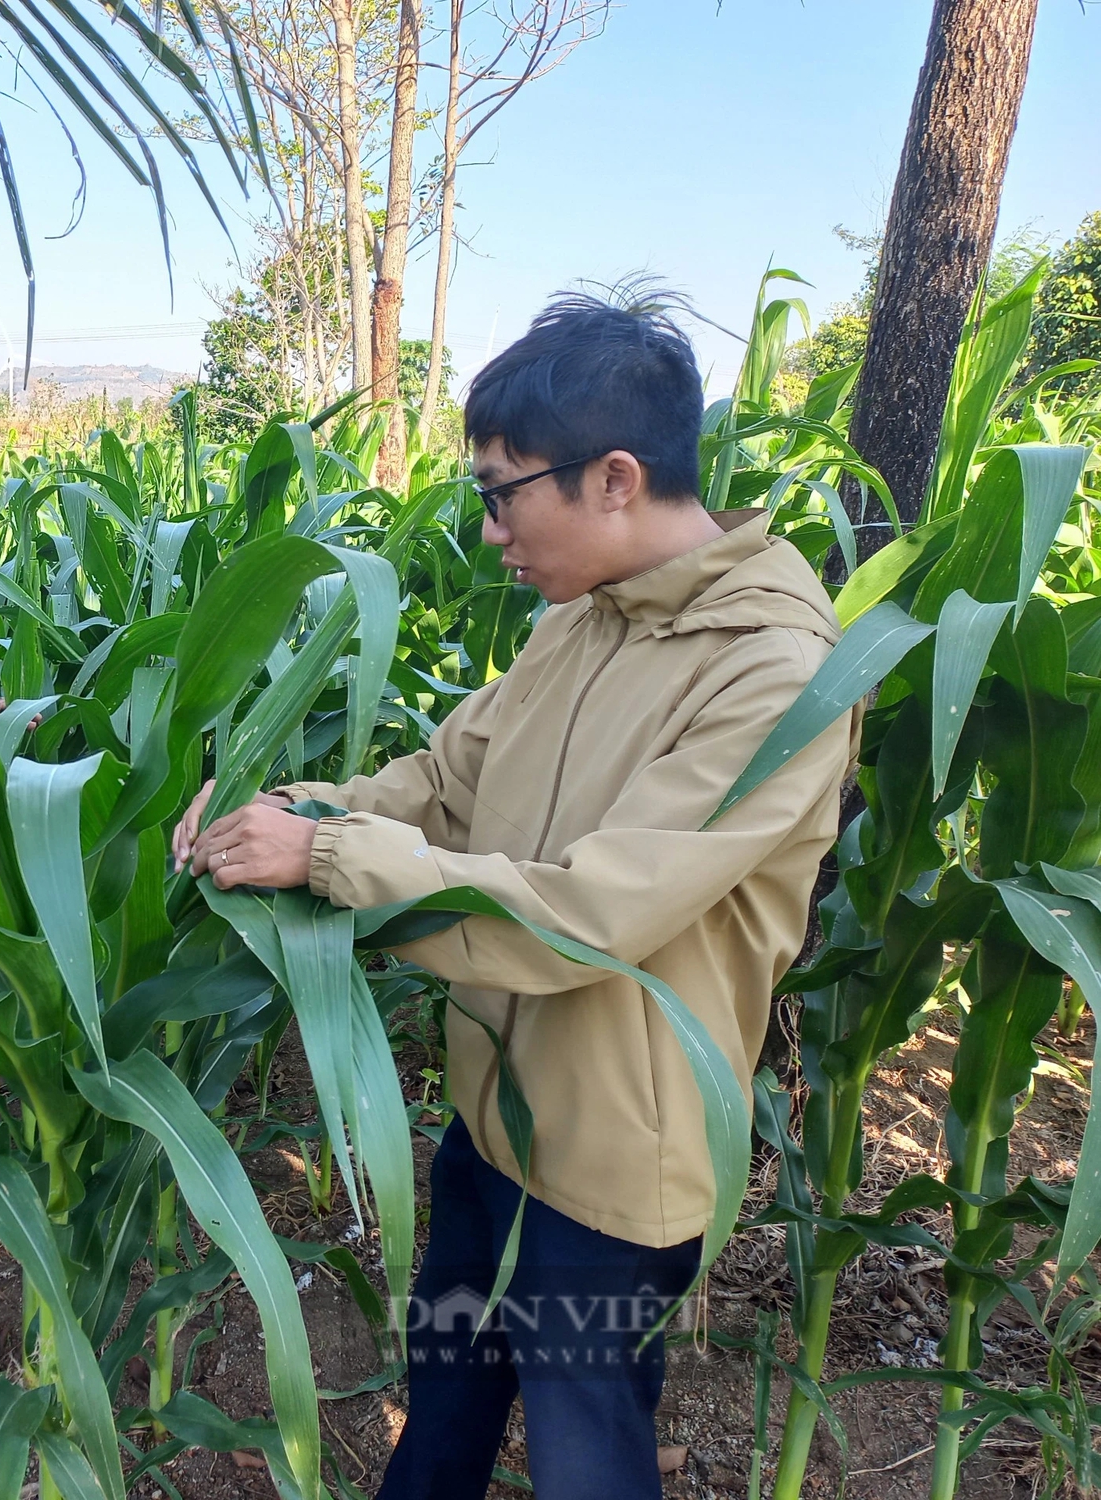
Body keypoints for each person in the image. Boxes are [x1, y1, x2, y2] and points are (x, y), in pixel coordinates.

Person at [174, 295, 858, 1500]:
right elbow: (444, 783)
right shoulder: (581, 616)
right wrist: (283, 815)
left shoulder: (774, 670)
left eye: (500, 493)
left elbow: (592, 914)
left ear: (610, 477)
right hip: (491, 1124)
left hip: (608, 1178)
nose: (487, 530)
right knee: (437, 1418)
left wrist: (324, 862)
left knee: (585, 1461)